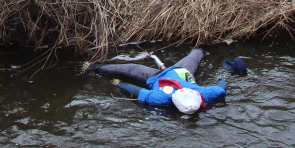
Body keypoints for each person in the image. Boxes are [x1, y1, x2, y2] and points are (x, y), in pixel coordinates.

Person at [85, 49, 227, 115]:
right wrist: (222, 78)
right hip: (182, 72)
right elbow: (221, 90)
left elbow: (136, 90)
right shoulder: (203, 94)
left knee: (130, 69)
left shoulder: (162, 98)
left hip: (156, 76)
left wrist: (119, 84)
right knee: (196, 55)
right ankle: (201, 48)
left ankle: (97, 69)